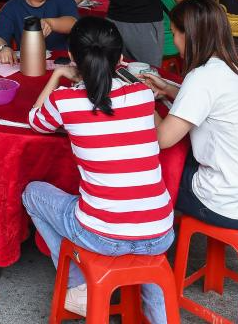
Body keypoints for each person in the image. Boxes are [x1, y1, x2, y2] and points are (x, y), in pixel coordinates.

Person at [22, 17, 174, 322]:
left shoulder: (65, 101)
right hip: (160, 233)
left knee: (32, 193)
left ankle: (78, 285)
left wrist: (57, 75)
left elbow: (35, 120)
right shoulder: (142, 95)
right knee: (150, 260)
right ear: (121, 59)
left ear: (73, 57)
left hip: (103, 237)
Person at [145, 0, 238, 229]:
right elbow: (211, 103)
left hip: (228, 205)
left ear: (189, 36)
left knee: (150, 172)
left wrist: (144, 99)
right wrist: (167, 88)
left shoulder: (202, 77)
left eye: (175, 34)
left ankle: (140, 237)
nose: (174, 41)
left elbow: (162, 139)